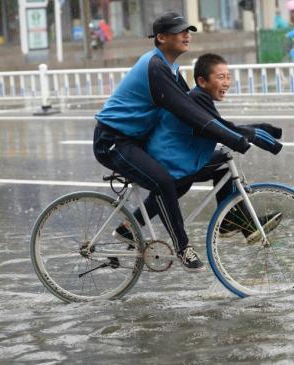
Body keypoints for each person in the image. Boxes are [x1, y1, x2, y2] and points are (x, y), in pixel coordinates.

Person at [93, 13, 251, 271]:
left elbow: (195, 108)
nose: (186, 34)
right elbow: (186, 113)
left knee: (204, 167)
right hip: (113, 141)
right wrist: (230, 135)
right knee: (164, 181)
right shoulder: (155, 67)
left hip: (139, 139)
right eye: (179, 31)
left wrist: (234, 131)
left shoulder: (171, 68)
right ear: (161, 37)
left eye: (187, 30)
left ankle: (130, 229)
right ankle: (182, 248)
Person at [113, 54, 284, 265]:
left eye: (228, 77)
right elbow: (221, 127)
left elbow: (220, 125)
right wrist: (254, 133)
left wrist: (255, 129)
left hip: (175, 156)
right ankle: (232, 222)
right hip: (169, 160)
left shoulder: (198, 97)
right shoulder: (197, 98)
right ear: (202, 81)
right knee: (215, 164)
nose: (227, 82)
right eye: (221, 77)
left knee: (199, 175)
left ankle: (129, 227)